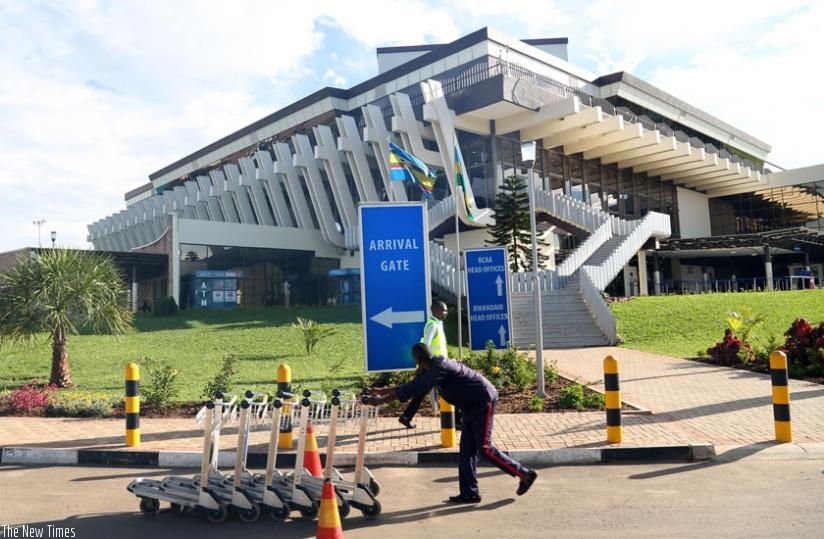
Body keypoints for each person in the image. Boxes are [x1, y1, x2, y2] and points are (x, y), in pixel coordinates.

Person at [370, 343, 538, 503]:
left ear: (419, 360)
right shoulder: (428, 369)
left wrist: (380, 401)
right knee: (466, 450)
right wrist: (381, 392)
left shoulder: (439, 366)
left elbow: (414, 388)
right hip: (470, 405)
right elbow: (410, 385)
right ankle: (469, 493)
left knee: (485, 448)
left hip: (483, 399)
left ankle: (525, 474)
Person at [398, 300, 449, 429]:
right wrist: (423, 366)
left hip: (436, 366)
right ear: (436, 311)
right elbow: (425, 345)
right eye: (444, 310)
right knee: (450, 390)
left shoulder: (438, 324)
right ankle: (457, 421)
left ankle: (406, 417)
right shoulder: (433, 326)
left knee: (420, 392)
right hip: (432, 367)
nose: (446, 313)